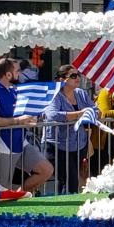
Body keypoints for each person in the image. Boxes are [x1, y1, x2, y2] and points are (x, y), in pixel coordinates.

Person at [0, 58, 54, 194]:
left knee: (46, 170)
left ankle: (19, 195)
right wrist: (18, 121)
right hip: (0, 145)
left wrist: (29, 118)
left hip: (20, 142)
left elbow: (20, 115)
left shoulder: (14, 90)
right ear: (8, 74)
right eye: (17, 71)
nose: (20, 73)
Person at [41, 65, 97, 193]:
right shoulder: (55, 95)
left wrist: (89, 114)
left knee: (67, 181)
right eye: (73, 76)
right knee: (70, 181)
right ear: (61, 79)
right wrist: (79, 114)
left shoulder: (81, 93)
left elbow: (95, 110)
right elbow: (52, 115)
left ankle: (62, 203)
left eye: (78, 75)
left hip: (79, 144)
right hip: (58, 145)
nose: (77, 78)